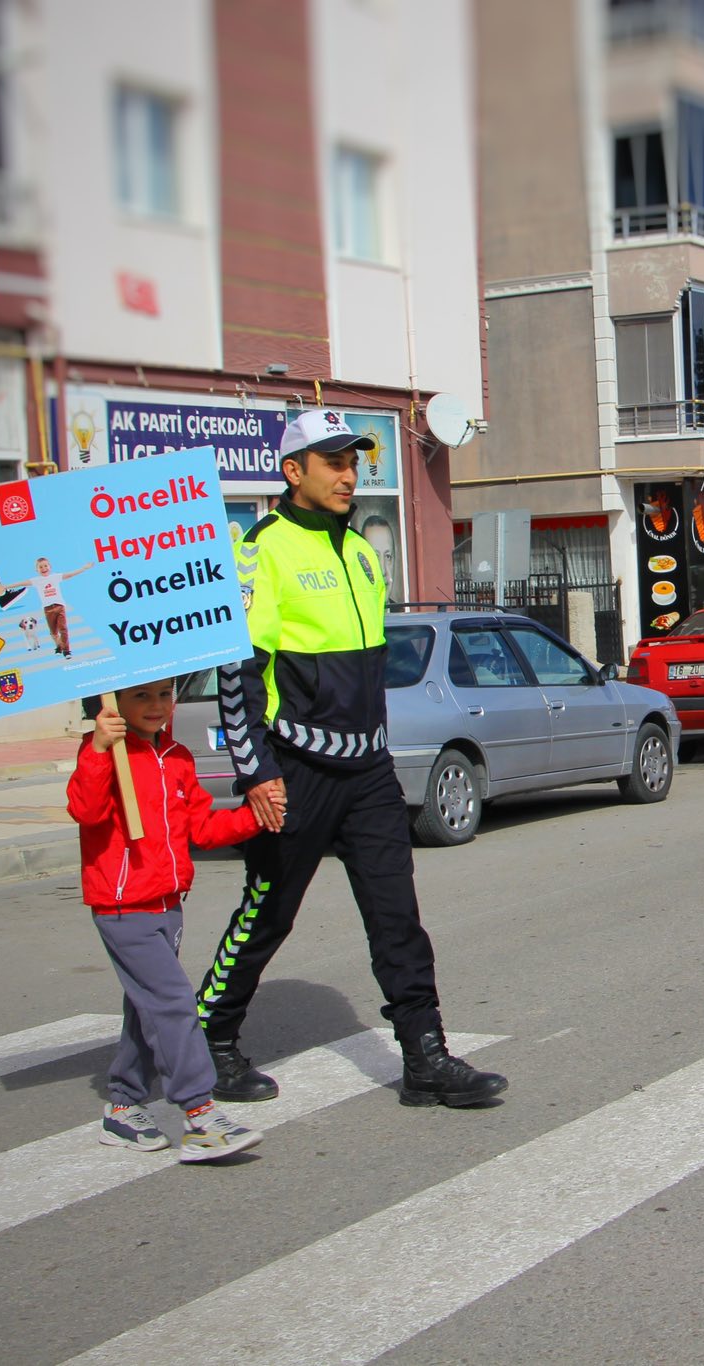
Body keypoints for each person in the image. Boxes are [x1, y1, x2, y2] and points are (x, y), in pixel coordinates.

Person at [198, 409, 506, 1109]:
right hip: (295, 770)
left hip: (369, 770)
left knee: (398, 916)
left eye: (354, 460)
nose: (349, 474)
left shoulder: (365, 554)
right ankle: (210, 1036)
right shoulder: (260, 551)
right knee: (266, 913)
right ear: (293, 471)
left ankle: (425, 1057)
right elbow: (238, 674)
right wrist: (257, 774)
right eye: (333, 461)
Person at [67, 679, 276, 1161]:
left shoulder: (177, 756)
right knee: (174, 1003)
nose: (157, 706)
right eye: (141, 696)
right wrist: (100, 748)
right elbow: (85, 810)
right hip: (123, 906)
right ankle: (200, 1114)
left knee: (148, 1009)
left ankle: (123, 1105)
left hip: (167, 902)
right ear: (112, 703)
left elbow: (200, 829)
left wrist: (255, 816)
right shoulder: (101, 752)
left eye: (164, 694)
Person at [13, 556, 94, 657]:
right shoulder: (36, 580)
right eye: (41, 567)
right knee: (54, 632)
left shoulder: (55, 577)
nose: (44, 569)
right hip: (48, 609)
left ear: (50, 567)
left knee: (63, 629)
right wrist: (5, 587)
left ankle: (66, 651)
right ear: (36, 570)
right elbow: (21, 583)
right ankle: (59, 646)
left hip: (59, 606)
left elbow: (70, 575)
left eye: (45, 566)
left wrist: (84, 568)